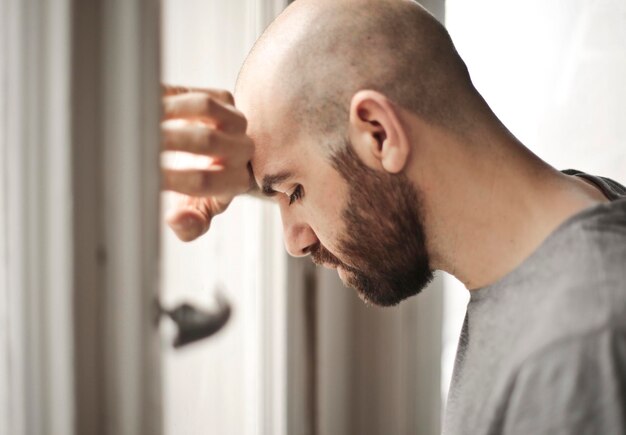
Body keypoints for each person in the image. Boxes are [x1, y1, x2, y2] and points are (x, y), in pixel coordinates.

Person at [161, 0, 626, 433]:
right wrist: (262, 171)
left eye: (294, 192)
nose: (295, 241)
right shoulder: (584, 209)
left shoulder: (576, 349)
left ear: (380, 135)